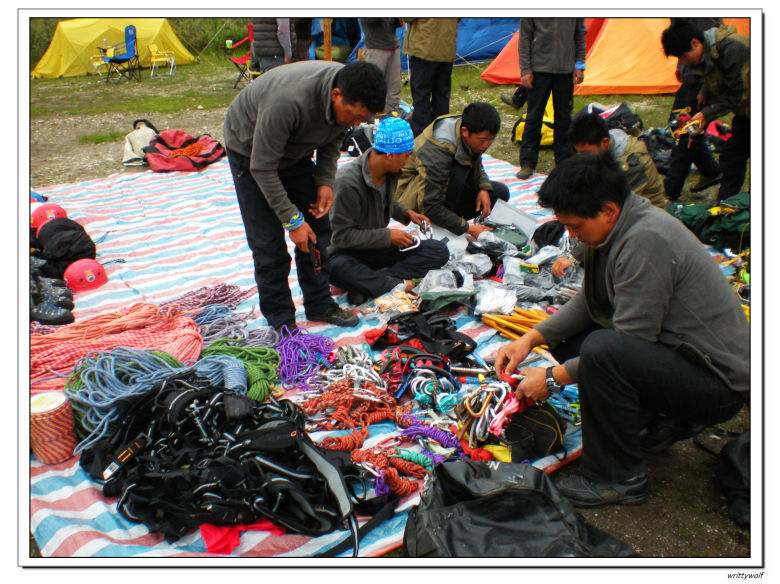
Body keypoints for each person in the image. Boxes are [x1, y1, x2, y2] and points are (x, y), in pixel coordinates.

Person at [495, 154, 749, 508]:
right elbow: (591, 302)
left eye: (575, 226)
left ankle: (617, 477)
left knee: (601, 350)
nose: (571, 235)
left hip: (717, 383)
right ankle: (656, 418)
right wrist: (530, 339)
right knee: (573, 344)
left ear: (608, 210)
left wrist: (551, 378)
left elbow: (628, 344)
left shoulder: (646, 240)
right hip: (681, 357)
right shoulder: (610, 230)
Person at [223, 60, 386, 332]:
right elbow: (262, 167)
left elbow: (333, 137)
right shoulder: (287, 102)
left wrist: (324, 181)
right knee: (268, 245)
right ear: (336, 95)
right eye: (355, 116)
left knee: (318, 230)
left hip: (295, 150)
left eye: (362, 119)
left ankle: (319, 302)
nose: (356, 124)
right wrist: (292, 220)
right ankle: (281, 320)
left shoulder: (347, 93)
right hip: (250, 151)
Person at [329, 117, 450, 305]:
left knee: (438, 250)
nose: (408, 161)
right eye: (406, 156)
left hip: (376, 248)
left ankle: (374, 283)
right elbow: (341, 237)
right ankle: (391, 283)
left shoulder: (389, 172)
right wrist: (388, 236)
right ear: (390, 155)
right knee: (337, 268)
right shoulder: (348, 182)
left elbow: (382, 200)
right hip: (348, 252)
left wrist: (407, 213)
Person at [661, 20, 750, 202]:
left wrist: (706, 114)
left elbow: (738, 94)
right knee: (732, 157)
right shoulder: (708, 52)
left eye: (683, 56)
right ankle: (726, 205)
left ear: (695, 43)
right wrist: (705, 91)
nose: (684, 62)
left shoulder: (733, 49)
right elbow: (714, 73)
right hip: (746, 113)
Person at [394, 102, 510, 238]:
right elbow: (430, 206)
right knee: (459, 173)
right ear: (465, 131)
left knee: (499, 192)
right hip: (415, 201)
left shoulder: (467, 128)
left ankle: (462, 223)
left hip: (444, 193)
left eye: (491, 140)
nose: (486, 145)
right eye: (483, 140)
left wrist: (483, 188)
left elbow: (476, 163)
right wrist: (467, 229)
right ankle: (446, 228)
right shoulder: (438, 150)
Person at [515, 18, 587, 180]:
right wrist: (525, 69)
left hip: (565, 70)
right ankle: (527, 163)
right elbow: (525, 37)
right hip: (538, 70)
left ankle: (564, 163)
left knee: (564, 118)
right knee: (534, 116)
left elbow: (580, 34)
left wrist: (580, 64)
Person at [663, 18, 724, 201]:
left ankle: (670, 190)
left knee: (686, 134)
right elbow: (681, 39)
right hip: (690, 78)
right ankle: (711, 170)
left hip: (701, 81)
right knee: (678, 127)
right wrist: (681, 64)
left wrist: (706, 86)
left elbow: (709, 47)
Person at [568, 111, 668, 209]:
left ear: (604, 142)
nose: (581, 157)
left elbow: (620, 207)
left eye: (585, 153)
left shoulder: (631, 161)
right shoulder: (603, 141)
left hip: (645, 211)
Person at [402, 17, 460, 135]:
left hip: (424, 48)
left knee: (421, 95)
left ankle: (423, 135)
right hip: (446, 47)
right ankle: (442, 134)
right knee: (442, 96)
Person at [359, 18, 404, 114]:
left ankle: (392, 116)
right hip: (376, 48)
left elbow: (393, 23)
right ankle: (372, 117)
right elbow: (369, 20)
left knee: (394, 89)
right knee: (373, 88)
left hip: (393, 46)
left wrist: (398, 20)